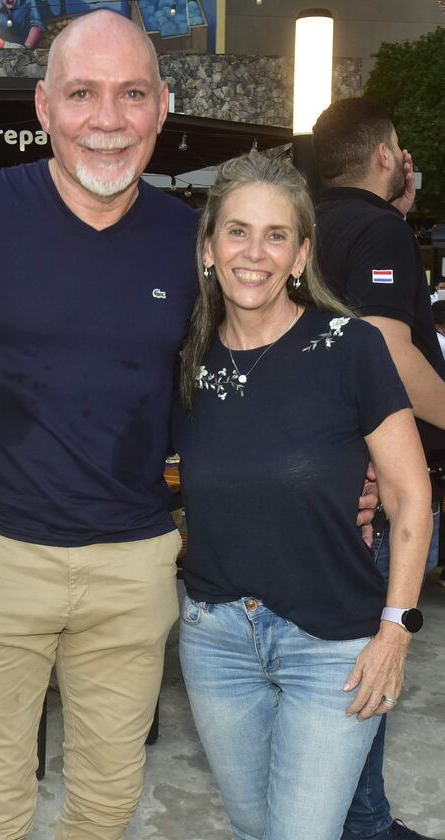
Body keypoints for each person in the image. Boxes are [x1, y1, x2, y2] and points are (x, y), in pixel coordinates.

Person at [0, 12, 378, 838]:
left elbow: (269, 351)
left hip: (132, 566)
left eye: (131, 94)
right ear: (42, 106)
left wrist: (349, 462)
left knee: (106, 797)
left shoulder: (194, 242)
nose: (107, 118)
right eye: (82, 94)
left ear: (162, 106)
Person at [174, 150, 431, 840]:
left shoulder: (351, 346)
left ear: (301, 255)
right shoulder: (186, 362)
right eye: (237, 231)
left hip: (335, 646)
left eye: (276, 235)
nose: (253, 252)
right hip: (217, 639)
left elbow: (410, 497)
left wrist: (396, 630)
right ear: (209, 248)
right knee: (257, 827)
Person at [313, 97, 445, 840]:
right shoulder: (379, 227)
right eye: (401, 153)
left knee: (330, 663)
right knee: (365, 663)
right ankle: (362, 825)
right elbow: (389, 351)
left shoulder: (308, 227)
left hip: (316, 482)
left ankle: (351, 817)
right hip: (368, 493)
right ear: (386, 154)